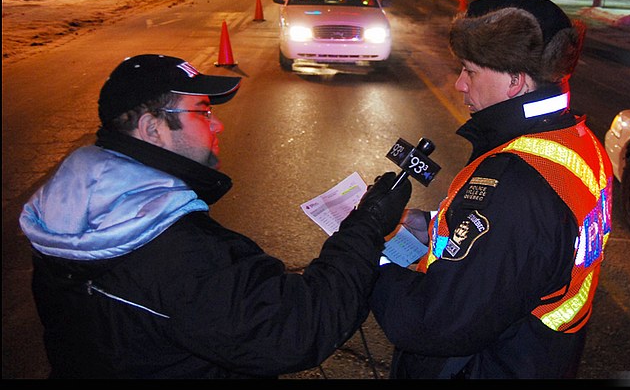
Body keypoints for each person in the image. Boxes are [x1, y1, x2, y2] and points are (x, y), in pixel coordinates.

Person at [18, 54, 412, 378]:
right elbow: (294, 328)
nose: (217, 123)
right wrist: (367, 225)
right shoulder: (178, 250)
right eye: (202, 112)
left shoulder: (72, 210)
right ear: (152, 128)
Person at [368, 0, 613, 379]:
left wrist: (371, 257)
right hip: (541, 357)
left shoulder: (517, 180)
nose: (459, 84)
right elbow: (523, 248)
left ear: (514, 80)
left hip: (488, 365)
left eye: (470, 70)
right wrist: (428, 225)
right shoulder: (577, 139)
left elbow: (434, 322)